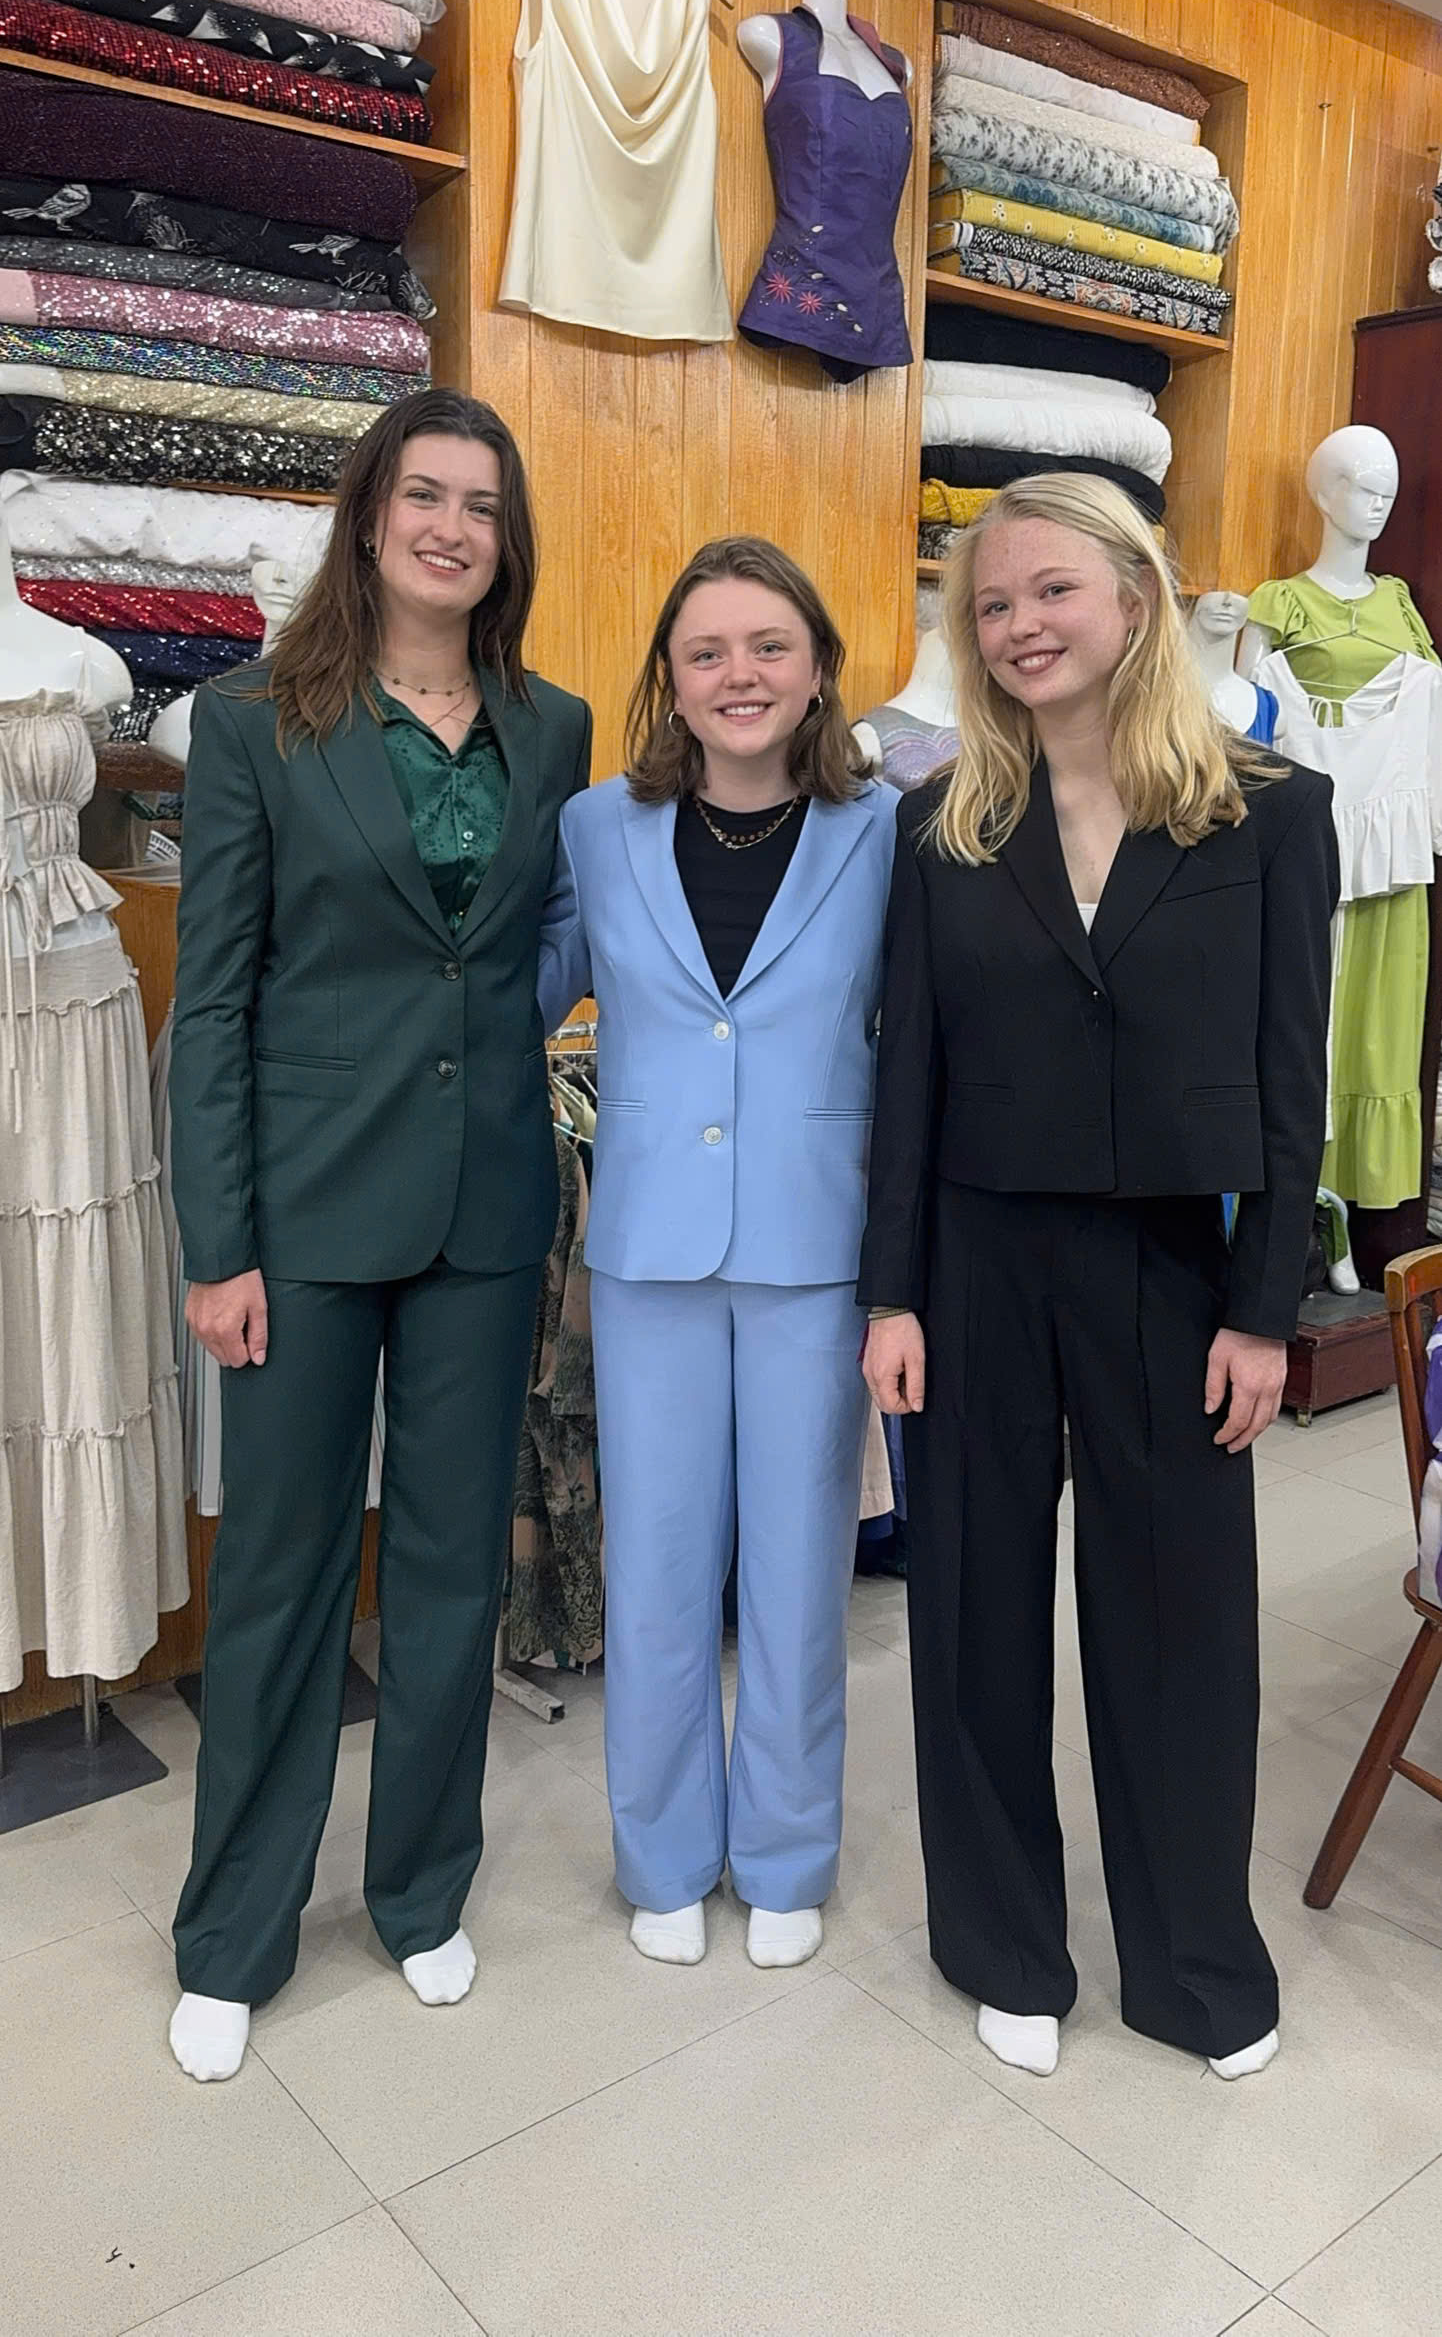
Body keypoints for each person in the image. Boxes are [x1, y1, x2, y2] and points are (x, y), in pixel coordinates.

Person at [860, 474, 1338, 2083]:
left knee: (1177, 1619)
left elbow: (1289, 1083)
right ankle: (1002, 1941)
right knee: (975, 1609)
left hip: (1168, 1264)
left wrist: (1264, 1308)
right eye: (990, 605)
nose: (1019, 626)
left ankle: (1194, 1965)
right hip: (975, 1258)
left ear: (1133, 598)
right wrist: (891, 1293)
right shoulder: (940, 825)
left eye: (1049, 591)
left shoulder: (1270, 812)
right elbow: (906, 1076)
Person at [166, 390, 591, 2082]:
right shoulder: (253, 721)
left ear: (506, 539)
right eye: (424, 495)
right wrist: (217, 1244)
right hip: (304, 1211)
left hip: (484, 1205)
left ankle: (418, 1892)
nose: (449, 527)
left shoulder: (548, 726)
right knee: (278, 1574)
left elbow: (533, 948)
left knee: (444, 1568)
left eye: (480, 505)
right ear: (367, 514)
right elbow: (213, 1003)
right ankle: (233, 1932)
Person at [540, 538, 897, 1970]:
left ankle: (788, 1850)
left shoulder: (887, 830)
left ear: (816, 670)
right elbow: (520, 990)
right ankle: (666, 1852)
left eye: (768, 646)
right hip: (647, 1248)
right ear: (670, 681)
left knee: (801, 1569)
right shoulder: (595, 827)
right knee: (661, 1564)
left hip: (817, 1243)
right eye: (706, 652)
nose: (738, 674)